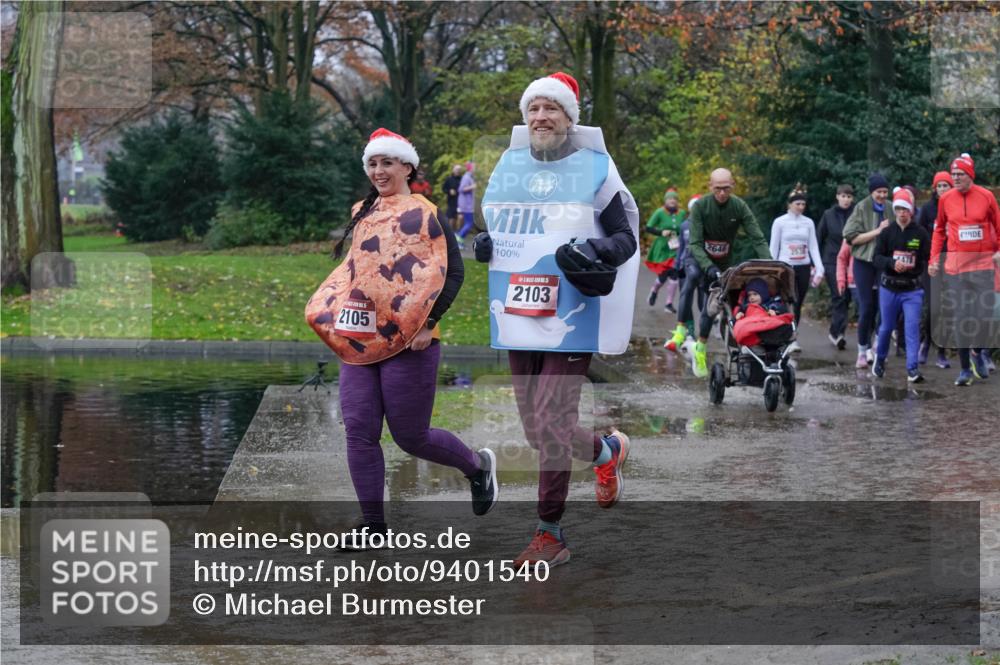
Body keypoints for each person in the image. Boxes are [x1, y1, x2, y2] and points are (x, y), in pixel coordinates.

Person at [473, 72, 638, 567]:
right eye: (534, 109)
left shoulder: (596, 169)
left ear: (570, 118)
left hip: (572, 313)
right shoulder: (508, 165)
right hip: (519, 313)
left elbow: (624, 238)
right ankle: (606, 452)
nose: (541, 117)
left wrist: (592, 248)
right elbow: (497, 229)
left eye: (552, 109)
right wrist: (484, 245)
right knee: (537, 431)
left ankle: (550, 534)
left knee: (553, 420)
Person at [305, 128, 498, 538]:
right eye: (373, 163)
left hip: (413, 340)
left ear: (407, 166)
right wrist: (329, 313)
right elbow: (354, 274)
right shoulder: (363, 210)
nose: (379, 170)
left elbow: (453, 272)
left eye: (387, 162)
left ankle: (478, 467)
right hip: (360, 338)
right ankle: (372, 525)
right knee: (359, 430)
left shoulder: (425, 211)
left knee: (411, 436)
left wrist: (428, 324)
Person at [686, 169, 771, 377]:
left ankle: (740, 351)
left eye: (726, 188)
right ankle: (700, 348)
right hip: (701, 260)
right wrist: (709, 267)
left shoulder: (739, 206)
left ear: (733, 185)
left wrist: (770, 264)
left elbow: (757, 237)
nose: (722, 193)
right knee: (711, 303)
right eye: (718, 189)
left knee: (736, 305)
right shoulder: (700, 207)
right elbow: (695, 243)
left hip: (725, 262)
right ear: (710, 187)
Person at [928, 153, 1000, 386]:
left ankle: (978, 351)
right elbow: (939, 231)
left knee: (985, 315)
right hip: (956, 267)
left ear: (970, 175)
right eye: (954, 174)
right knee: (960, 318)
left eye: (960, 174)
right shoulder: (945, 199)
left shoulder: (987, 197)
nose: (955, 178)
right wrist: (934, 259)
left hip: (983, 265)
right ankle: (965, 370)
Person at [870, 187, 931, 383]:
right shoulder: (887, 232)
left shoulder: (920, 233)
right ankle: (879, 361)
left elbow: (928, 257)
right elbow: (876, 258)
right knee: (886, 327)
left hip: (912, 290)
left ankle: (912, 369)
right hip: (889, 288)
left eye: (905, 209)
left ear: (911, 211)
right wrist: (892, 263)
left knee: (912, 328)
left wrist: (924, 267)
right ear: (894, 210)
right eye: (898, 209)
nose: (902, 213)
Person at [843, 173, 894, 369]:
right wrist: (878, 231)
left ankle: (878, 346)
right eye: (878, 192)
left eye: (884, 191)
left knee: (885, 307)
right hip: (863, 262)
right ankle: (862, 351)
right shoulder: (861, 207)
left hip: (883, 263)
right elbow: (850, 238)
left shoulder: (890, 207)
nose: (882, 195)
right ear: (872, 192)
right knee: (866, 308)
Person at [769, 184, 824, 330]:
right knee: (786, 300)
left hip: (803, 266)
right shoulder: (780, 222)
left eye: (803, 204)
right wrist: (771, 269)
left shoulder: (808, 222)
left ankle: (793, 335)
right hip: (785, 266)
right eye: (797, 204)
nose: (801, 207)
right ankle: (782, 331)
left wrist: (819, 268)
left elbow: (813, 246)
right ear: (790, 204)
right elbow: (773, 247)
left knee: (798, 302)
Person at [916, 171, 954, 368]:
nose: (941, 189)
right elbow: (920, 233)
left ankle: (941, 351)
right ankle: (925, 343)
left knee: (946, 309)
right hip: (931, 264)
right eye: (938, 186)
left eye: (945, 185)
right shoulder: (928, 209)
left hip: (952, 263)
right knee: (933, 307)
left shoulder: (956, 206)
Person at [817, 184, 856, 349]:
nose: (846, 199)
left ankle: (836, 331)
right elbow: (819, 238)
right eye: (843, 196)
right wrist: (816, 264)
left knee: (846, 297)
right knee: (839, 295)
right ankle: (837, 334)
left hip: (852, 261)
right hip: (832, 260)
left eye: (849, 196)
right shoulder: (828, 215)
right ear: (837, 197)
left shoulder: (857, 213)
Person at [644, 188, 686, 312]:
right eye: (670, 198)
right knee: (663, 275)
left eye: (674, 198)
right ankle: (654, 290)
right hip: (662, 248)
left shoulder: (682, 213)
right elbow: (648, 228)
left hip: (676, 247)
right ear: (666, 200)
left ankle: (668, 304)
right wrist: (661, 232)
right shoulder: (659, 212)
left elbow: (685, 228)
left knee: (674, 274)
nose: (672, 201)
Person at [456, 162, 477, 248]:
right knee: (469, 223)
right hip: (466, 205)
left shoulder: (469, 177)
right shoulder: (466, 177)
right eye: (474, 167)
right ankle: (458, 239)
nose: (475, 169)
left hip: (468, 204)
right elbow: (461, 189)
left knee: (468, 223)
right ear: (470, 168)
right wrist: (472, 187)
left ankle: (460, 241)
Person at [442, 164, 463, 231]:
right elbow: (443, 188)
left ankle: (459, 234)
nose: (458, 171)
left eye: (459, 170)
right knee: (451, 219)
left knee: (460, 218)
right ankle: (451, 234)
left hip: (461, 202)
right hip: (451, 202)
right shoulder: (449, 179)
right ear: (453, 170)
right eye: (456, 169)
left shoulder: (462, 179)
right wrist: (449, 191)